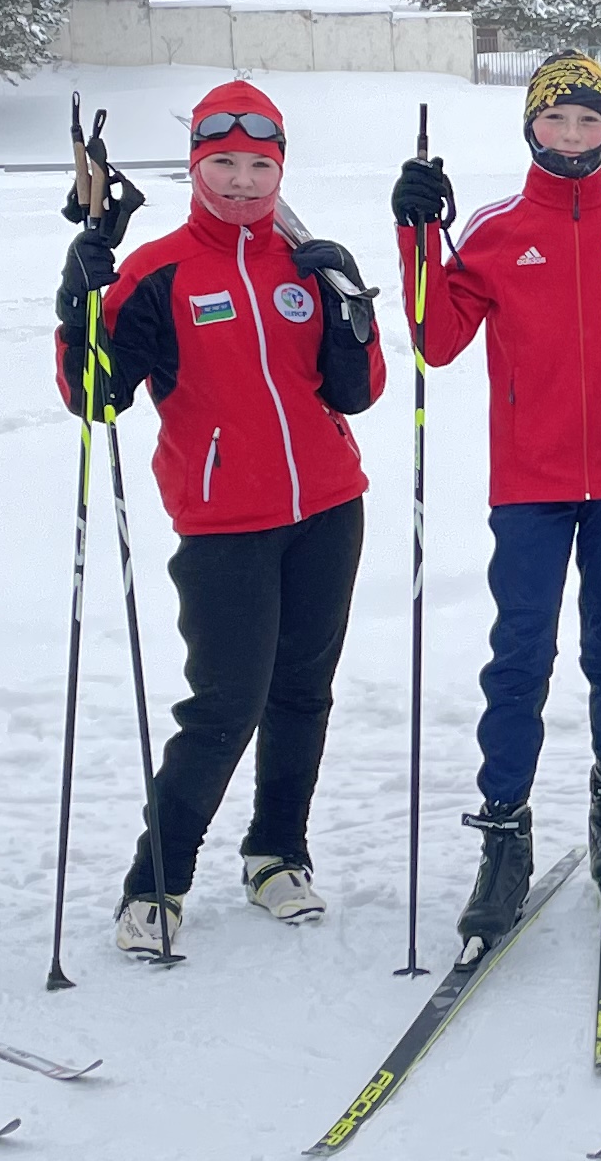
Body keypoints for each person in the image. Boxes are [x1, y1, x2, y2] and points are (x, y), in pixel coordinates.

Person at [390, 52, 601, 941]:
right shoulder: (498, 232)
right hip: (531, 482)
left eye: (588, 122)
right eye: (556, 120)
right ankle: (505, 834)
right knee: (520, 656)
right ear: (531, 127)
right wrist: (418, 232)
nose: (572, 136)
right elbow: (436, 337)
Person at [57, 79, 383, 950]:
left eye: (258, 165)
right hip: (222, 520)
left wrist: (353, 310)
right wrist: (77, 302)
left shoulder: (305, 263)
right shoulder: (160, 272)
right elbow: (96, 397)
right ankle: (155, 884)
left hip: (328, 506)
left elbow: (357, 392)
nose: (242, 182)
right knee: (226, 702)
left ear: (279, 169)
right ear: (197, 168)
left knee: (302, 693)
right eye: (224, 164)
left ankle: (277, 854)